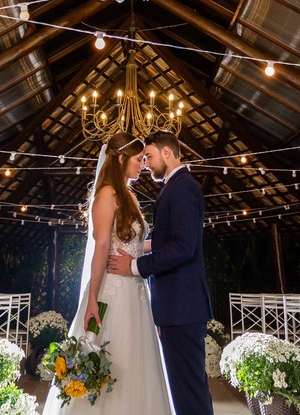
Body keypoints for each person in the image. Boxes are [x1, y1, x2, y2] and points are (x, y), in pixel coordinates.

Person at [41, 133, 172, 415]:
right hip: (112, 290)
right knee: (112, 356)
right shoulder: (106, 194)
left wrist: (167, 243)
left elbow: (132, 245)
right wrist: (92, 299)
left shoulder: (129, 196)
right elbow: (101, 247)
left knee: (136, 362)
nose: (143, 165)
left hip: (136, 290)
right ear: (121, 158)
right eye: (138, 159)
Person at [107, 131, 214, 415]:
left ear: (167, 153)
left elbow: (183, 248)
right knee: (184, 387)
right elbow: (172, 241)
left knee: (189, 390)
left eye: (149, 156)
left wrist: (134, 266)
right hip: (177, 307)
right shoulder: (175, 187)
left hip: (182, 307)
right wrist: (137, 248)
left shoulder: (182, 188)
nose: (146, 164)